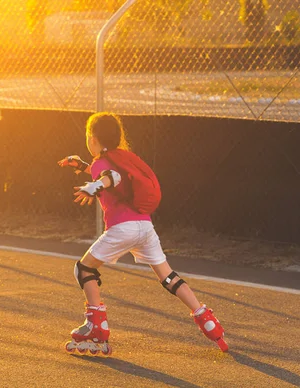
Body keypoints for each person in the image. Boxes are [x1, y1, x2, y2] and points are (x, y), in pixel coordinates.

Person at [58, 112, 228, 357]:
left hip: (122, 228)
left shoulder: (104, 164)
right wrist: (83, 167)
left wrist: (93, 187)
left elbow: (110, 178)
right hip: (144, 227)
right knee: (168, 278)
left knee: (84, 269)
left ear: (93, 139)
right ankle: (207, 320)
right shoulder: (122, 158)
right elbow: (114, 177)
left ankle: (96, 325)